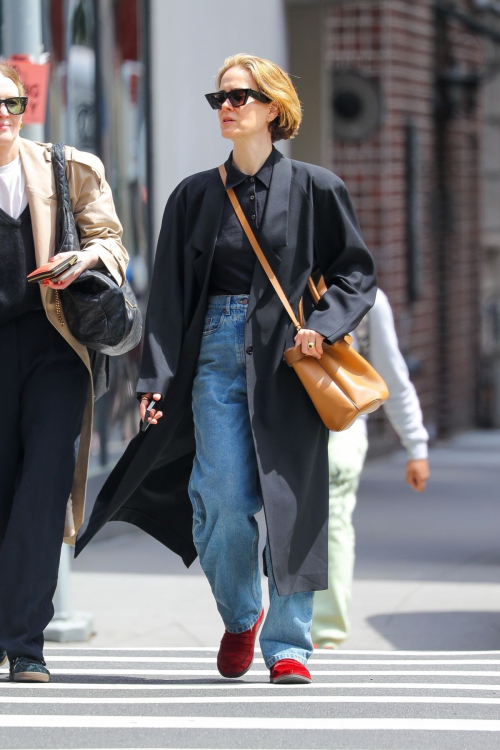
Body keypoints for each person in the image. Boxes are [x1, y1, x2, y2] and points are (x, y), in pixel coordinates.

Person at [77, 53, 377, 684]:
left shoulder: (317, 188)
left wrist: (321, 328)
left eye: (239, 98)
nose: (228, 108)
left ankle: (288, 645)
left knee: (292, 503)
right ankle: (242, 615)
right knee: (220, 497)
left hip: (291, 360)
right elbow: (168, 298)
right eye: (220, 100)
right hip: (212, 355)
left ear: (273, 107)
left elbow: (356, 273)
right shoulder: (193, 196)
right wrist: (155, 380)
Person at [0, 62, 128, 682]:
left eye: (13, 102)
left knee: (43, 490)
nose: (4, 113)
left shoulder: (64, 166)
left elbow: (113, 242)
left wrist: (86, 257)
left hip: (55, 349)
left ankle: (26, 644)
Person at [311, 289, 430, 649]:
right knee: (307, 524)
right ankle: (312, 628)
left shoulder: (367, 299)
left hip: (342, 427)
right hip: (289, 431)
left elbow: (391, 376)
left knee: (331, 521)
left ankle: (324, 633)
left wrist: (416, 444)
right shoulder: (278, 282)